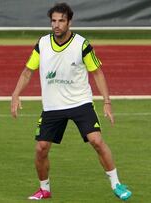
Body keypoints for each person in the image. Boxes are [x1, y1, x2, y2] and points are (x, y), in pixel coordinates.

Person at [11, 3, 131, 201]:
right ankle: (44, 189)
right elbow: (27, 71)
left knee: (97, 141)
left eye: (61, 21)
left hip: (80, 103)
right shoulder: (42, 44)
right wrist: (15, 94)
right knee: (41, 148)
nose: (57, 25)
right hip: (52, 106)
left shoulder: (82, 44)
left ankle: (117, 184)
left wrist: (107, 102)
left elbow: (97, 73)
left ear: (69, 22)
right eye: (54, 21)